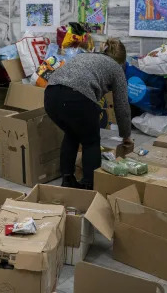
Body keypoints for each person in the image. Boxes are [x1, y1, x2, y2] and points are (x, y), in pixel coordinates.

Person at [44, 38, 133, 190]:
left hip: (51, 95)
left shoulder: (84, 56)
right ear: (121, 60)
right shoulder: (116, 68)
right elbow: (122, 106)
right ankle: (89, 185)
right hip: (77, 97)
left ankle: (67, 179)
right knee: (90, 141)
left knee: (72, 134)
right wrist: (126, 135)